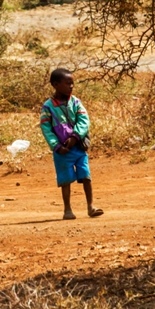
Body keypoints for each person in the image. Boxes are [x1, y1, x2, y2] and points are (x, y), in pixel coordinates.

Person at [40, 68, 104, 220]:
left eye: (72, 83)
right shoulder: (48, 107)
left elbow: (84, 121)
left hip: (78, 147)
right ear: (55, 84)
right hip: (61, 151)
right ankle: (67, 209)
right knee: (65, 180)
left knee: (86, 175)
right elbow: (46, 128)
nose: (71, 86)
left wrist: (75, 137)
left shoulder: (75, 102)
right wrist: (56, 146)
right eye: (68, 83)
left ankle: (90, 206)